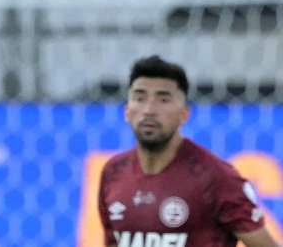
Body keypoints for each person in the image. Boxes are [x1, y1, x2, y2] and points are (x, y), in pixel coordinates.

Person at [97, 55, 279, 247]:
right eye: (140, 98)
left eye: (163, 100)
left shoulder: (215, 177)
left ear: (184, 115)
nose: (149, 110)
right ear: (127, 112)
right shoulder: (113, 173)